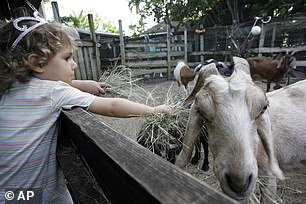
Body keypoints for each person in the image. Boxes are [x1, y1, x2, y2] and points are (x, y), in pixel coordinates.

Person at [0, 15, 170, 203]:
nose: (74, 64)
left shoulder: (9, 90)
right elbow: (112, 107)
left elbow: (47, 86)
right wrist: (155, 109)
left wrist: (83, 84)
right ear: (37, 63)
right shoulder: (53, 92)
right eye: (67, 58)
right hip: (35, 194)